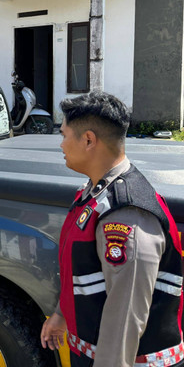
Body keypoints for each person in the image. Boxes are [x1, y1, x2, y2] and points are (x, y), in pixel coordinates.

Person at [40, 92, 184, 367]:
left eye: (64, 135)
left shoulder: (126, 215)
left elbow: (125, 317)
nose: (60, 144)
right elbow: (83, 274)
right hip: (91, 350)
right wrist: (62, 314)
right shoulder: (96, 193)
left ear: (88, 140)